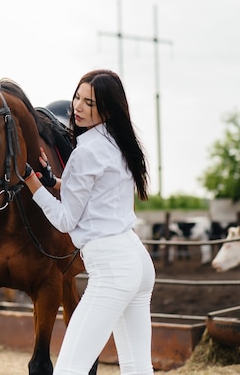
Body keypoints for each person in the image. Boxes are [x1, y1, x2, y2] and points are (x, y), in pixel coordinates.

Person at [22, 69, 155, 374]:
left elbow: (66, 220)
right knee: (137, 367)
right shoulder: (117, 142)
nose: (78, 108)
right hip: (135, 258)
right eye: (77, 98)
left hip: (112, 266)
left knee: (70, 368)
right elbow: (95, 195)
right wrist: (55, 182)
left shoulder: (86, 152)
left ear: (107, 109)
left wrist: (32, 184)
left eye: (90, 104)